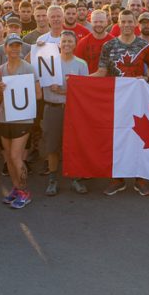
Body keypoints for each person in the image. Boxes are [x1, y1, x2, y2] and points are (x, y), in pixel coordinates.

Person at [93, 9, 149, 197]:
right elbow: (101, 72)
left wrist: (147, 77)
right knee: (118, 137)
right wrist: (78, 80)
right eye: (124, 21)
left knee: (139, 136)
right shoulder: (109, 46)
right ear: (118, 23)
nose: (127, 25)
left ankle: (140, 179)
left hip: (138, 99)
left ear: (136, 23)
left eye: (130, 21)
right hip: (117, 101)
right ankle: (117, 179)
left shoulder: (144, 45)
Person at [0, 34, 42, 208]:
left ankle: (24, 191)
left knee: (16, 155)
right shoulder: (0, 70)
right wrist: (0, 91)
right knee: (8, 157)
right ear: (5, 48)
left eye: (17, 46)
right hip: (4, 118)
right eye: (11, 46)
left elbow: (38, 95)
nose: (14, 49)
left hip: (23, 119)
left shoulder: (29, 68)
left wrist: (22, 92)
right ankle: (16, 188)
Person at [42, 31, 89, 196]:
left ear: (75, 44)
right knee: (52, 146)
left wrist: (63, 91)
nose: (67, 44)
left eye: (70, 41)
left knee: (74, 146)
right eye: (64, 41)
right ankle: (53, 179)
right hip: (53, 108)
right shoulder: (49, 63)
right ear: (58, 44)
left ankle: (76, 179)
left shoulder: (81, 64)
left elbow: (84, 91)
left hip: (73, 110)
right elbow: (42, 85)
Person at [74, 9, 114, 74]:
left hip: (109, 82)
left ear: (106, 22)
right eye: (95, 22)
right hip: (89, 81)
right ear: (91, 22)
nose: (98, 24)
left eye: (101, 22)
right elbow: (77, 67)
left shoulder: (114, 42)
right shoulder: (82, 43)